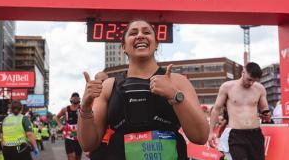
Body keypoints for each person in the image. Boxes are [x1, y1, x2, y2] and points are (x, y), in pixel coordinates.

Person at [78, 20, 209, 160]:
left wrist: (174, 96)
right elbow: (88, 144)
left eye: (146, 32)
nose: (140, 36)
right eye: (133, 33)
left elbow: (200, 137)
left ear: (157, 44)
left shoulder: (178, 81)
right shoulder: (109, 86)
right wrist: (85, 107)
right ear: (123, 47)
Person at [208, 62, 270, 160]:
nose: (251, 83)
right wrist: (211, 132)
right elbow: (216, 109)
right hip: (236, 134)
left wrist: (266, 114)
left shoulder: (260, 88)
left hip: (255, 134)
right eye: (249, 79)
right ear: (243, 72)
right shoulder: (227, 87)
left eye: (254, 81)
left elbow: (264, 108)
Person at [54, 92, 82, 160]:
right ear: (71, 99)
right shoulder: (66, 109)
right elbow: (56, 117)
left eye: (77, 97)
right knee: (72, 157)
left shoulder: (82, 108)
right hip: (69, 136)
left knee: (77, 158)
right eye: (74, 97)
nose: (75, 98)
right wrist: (60, 125)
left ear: (79, 99)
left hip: (80, 136)